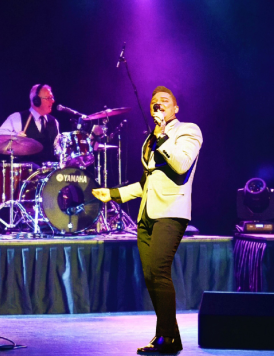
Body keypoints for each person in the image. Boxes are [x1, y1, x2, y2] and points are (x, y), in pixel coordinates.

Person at [93, 86, 202, 354]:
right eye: (154, 102)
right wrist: (115, 194)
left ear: (175, 108)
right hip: (147, 214)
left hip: (171, 211)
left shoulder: (188, 130)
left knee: (160, 272)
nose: (158, 104)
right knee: (150, 275)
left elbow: (180, 165)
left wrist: (163, 133)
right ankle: (168, 336)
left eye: (164, 101)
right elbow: (147, 182)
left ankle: (167, 337)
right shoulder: (150, 139)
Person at [0, 84, 60, 164]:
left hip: (49, 172)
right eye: (48, 98)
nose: (53, 101)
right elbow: (0, 136)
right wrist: (16, 136)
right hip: (26, 171)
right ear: (36, 101)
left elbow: (57, 148)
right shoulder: (17, 117)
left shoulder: (54, 122)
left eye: (52, 97)